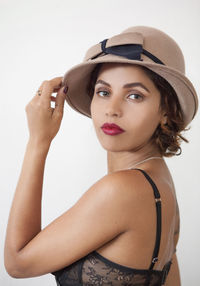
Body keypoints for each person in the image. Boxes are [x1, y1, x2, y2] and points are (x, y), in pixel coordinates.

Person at [4, 26, 198, 286]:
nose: (112, 110)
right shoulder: (161, 183)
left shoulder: (122, 190)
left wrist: (38, 141)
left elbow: (17, 263)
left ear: (166, 110)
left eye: (134, 95)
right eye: (104, 92)